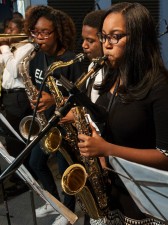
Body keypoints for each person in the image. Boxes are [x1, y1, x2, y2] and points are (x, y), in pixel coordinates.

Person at [77, 2, 168, 225]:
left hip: (147, 196)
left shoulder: (161, 86)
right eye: (103, 36)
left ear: (138, 39)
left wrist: (107, 149)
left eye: (115, 37)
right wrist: (102, 156)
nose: (106, 45)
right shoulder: (113, 76)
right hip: (117, 186)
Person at [24, 5, 83, 225]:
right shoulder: (37, 57)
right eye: (35, 32)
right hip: (46, 124)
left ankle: (68, 214)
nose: (39, 38)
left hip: (65, 125)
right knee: (35, 163)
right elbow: (34, 83)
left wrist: (54, 100)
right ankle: (53, 202)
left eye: (45, 32)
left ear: (58, 32)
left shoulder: (70, 60)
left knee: (67, 171)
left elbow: (80, 97)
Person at [0, 17, 33, 197]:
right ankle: (18, 177)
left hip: (19, 98)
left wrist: (5, 48)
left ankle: (25, 182)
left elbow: (15, 71)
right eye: (7, 28)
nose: (8, 32)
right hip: (8, 96)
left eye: (12, 29)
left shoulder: (27, 47)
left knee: (16, 143)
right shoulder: (12, 49)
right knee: (10, 143)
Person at [81, 9, 106, 103]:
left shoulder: (111, 74)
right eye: (83, 39)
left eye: (90, 41)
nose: (84, 45)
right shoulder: (92, 66)